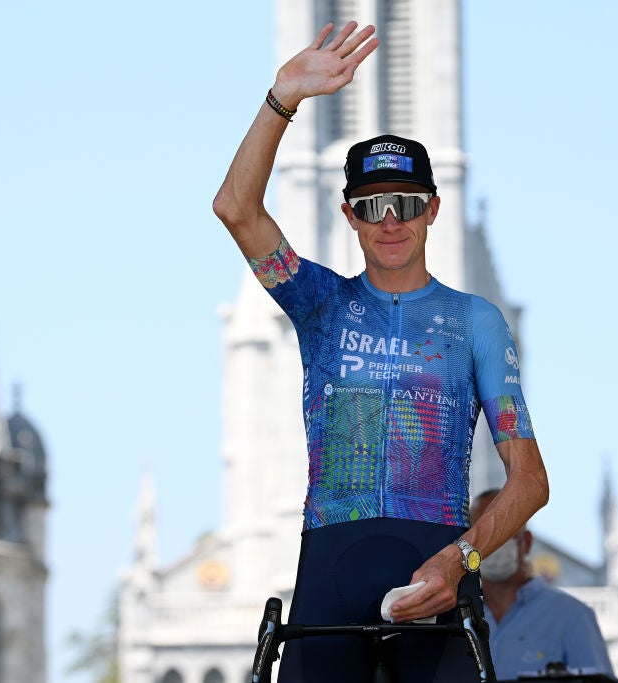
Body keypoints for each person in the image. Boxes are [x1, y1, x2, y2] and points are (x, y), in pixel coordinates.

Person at [212, 21, 549, 683]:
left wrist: (461, 561)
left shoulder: (475, 320)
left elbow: (531, 481)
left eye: (406, 203)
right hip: (330, 568)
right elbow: (235, 207)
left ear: (432, 209)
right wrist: (282, 98)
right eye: (372, 206)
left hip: (438, 570)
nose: (390, 220)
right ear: (349, 216)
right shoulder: (320, 303)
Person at [472, 489, 613, 679]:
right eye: (483, 532)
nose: (495, 542)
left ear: (527, 542)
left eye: (506, 530)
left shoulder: (573, 616)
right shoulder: (454, 616)